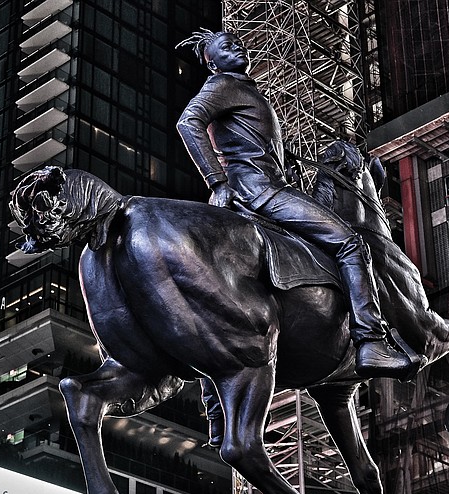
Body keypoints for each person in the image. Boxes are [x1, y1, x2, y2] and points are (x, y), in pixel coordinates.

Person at [176, 30, 417, 439]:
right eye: (224, 46)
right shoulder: (223, 85)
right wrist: (216, 180)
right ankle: (370, 340)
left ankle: (216, 410)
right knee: (350, 242)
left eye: (237, 42)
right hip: (260, 191)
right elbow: (188, 122)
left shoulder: (240, 88)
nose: (237, 47)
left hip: (262, 185)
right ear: (213, 62)